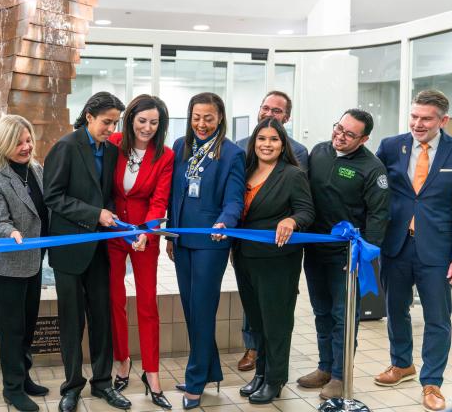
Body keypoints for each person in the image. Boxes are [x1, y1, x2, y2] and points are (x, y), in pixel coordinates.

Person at [374, 90, 452, 412]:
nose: (418, 124)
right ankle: (401, 364)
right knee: (396, 310)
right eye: (414, 116)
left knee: (437, 318)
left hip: (438, 251)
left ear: (443, 120)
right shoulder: (391, 146)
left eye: (426, 118)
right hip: (396, 245)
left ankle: (432, 382)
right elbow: (373, 190)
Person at [43, 92, 132, 412]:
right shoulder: (65, 147)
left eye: (115, 123)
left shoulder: (110, 152)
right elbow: (52, 196)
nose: (111, 128)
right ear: (90, 116)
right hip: (69, 251)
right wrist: (95, 214)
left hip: (98, 250)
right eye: (107, 122)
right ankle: (71, 386)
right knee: (71, 322)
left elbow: (106, 195)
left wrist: (112, 217)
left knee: (101, 319)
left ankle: (103, 383)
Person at [297, 108, 389, 400]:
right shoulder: (319, 152)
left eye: (349, 134)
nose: (340, 136)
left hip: (347, 257)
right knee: (321, 312)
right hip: (315, 249)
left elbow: (378, 215)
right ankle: (325, 367)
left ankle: (340, 374)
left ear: (364, 139)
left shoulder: (372, 168)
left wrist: (366, 258)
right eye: (339, 128)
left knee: (343, 316)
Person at [166, 92, 245, 410]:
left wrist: (225, 221)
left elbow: (235, 198)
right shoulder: (180, 147)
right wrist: (171, 235)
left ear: (220, 118)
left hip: (212, 243)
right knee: (191, 309)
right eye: (196, 117)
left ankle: (196, 381)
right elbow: (174, 195)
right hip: (183, 241)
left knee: (201, 309)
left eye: (208, 118)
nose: (201, 124)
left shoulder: (232, 154)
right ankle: (209, 369)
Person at [234, 118, 315, 404]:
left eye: (274, 140)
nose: (267, 144)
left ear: (283, 145)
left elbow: (307, 212)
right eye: (262, 139)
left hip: (278, 261)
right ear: (253, 142)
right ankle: (261, 373)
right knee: (256, 321)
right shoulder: (243, 171)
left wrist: (291, 220)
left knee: (276, 323)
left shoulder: (292, 174)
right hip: (244, 257)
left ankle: (275, 378)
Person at [106, 95, 174, 410]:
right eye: (142, 120)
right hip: (112, 231)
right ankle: (122, 361)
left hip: (145, 236)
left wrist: (147, 232)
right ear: (131, 117)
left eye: (154, 122)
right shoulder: (114, 142)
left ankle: (152, 371)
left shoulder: (165, 156)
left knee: (148, 303)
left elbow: (159, 200)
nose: (147, 127)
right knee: (114, 299)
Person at [0, 115, 50, 412]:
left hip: (33, 262)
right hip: (7, 267)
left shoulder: (37, 169)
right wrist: (10, 232)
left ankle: (24, 377)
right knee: (11, 330)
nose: (26, 146)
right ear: (3, 144)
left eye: (28, 139)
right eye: (19, 142)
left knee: (28, 325)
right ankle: (12, 388)